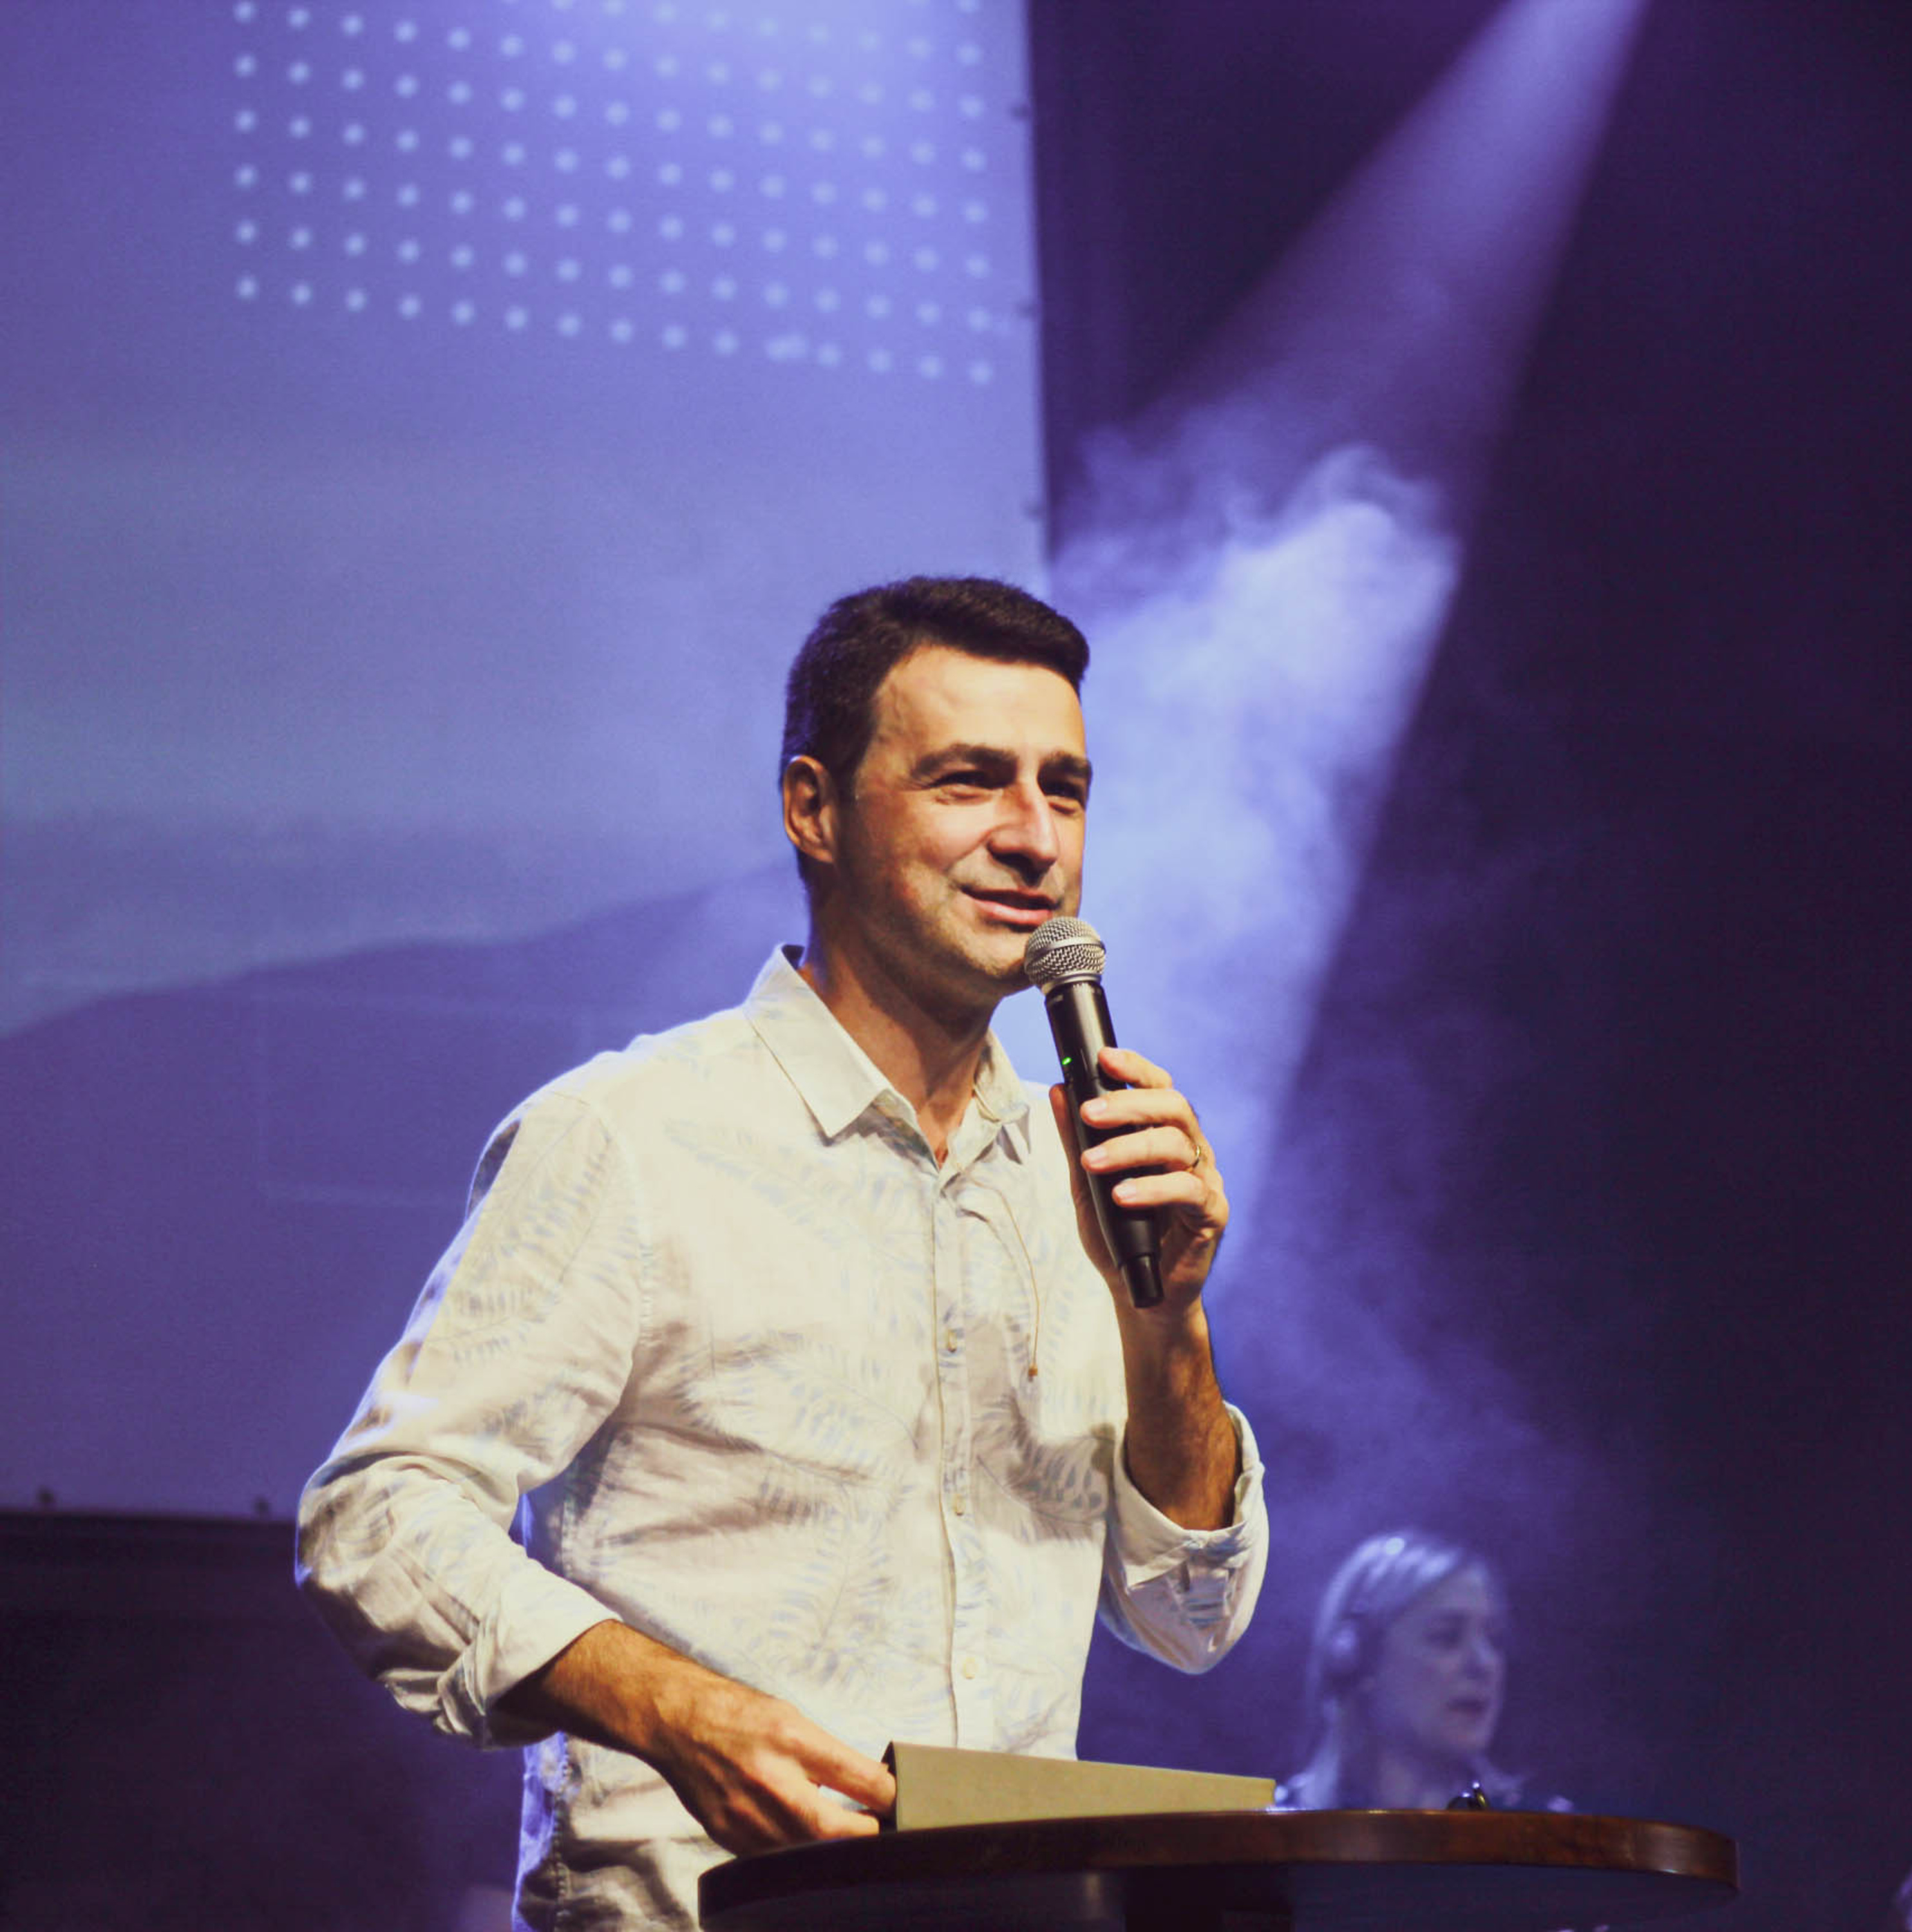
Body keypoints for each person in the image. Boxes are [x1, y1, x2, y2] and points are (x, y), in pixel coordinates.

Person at [296, 576, 1269, 1929]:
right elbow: (377, 1517)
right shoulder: (633, 1136)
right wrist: (670, 1706)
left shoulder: (1087, 1166)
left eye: (1066, 789)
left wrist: (1171, 1321)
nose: (1034, 838)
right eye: (970, 781)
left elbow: (1190, 1619)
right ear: (815, 809)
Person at [1274, 1529, 1562, 1812]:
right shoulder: (1273, 1828)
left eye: (1494, 1639)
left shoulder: (1544, 1831)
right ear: (1358, 1658)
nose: (1484, 1664)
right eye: (1447, 1637)